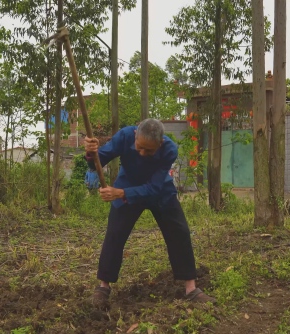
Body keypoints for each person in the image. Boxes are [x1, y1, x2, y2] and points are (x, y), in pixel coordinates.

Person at [84, 118, 216, 307]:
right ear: (135, 135)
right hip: (127, 186)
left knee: (180, 232)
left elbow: (153, 187)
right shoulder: (124, 136)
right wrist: (90, 151)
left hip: (160, 192)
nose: (143, 153)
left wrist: (120, 193)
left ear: (160, 143)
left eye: (149, 150)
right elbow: (95, 162)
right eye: (139, 148)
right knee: (115, 234)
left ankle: (191, 289)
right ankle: (103, 287)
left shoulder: (170, 149)